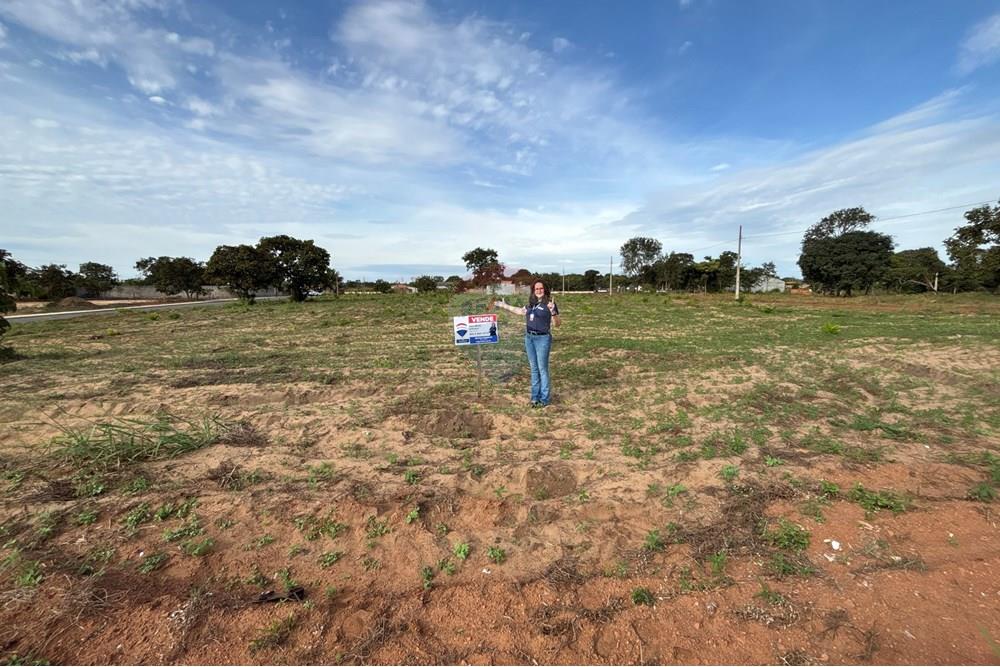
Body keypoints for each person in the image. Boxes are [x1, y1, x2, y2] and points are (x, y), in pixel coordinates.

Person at [493, 279, 561, 407]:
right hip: (529, 338)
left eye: (541, 288)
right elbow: (519, 311)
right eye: (536, 289)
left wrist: (553, 312)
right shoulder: (531, 304)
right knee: (534, 369)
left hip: (542, 339)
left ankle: (544, 399)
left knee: (542, 369)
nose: (539, 291)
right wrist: (503, 305)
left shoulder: (550, 304)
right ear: (533, 291)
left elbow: (557, 324)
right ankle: (535, 398)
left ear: (545, 290)